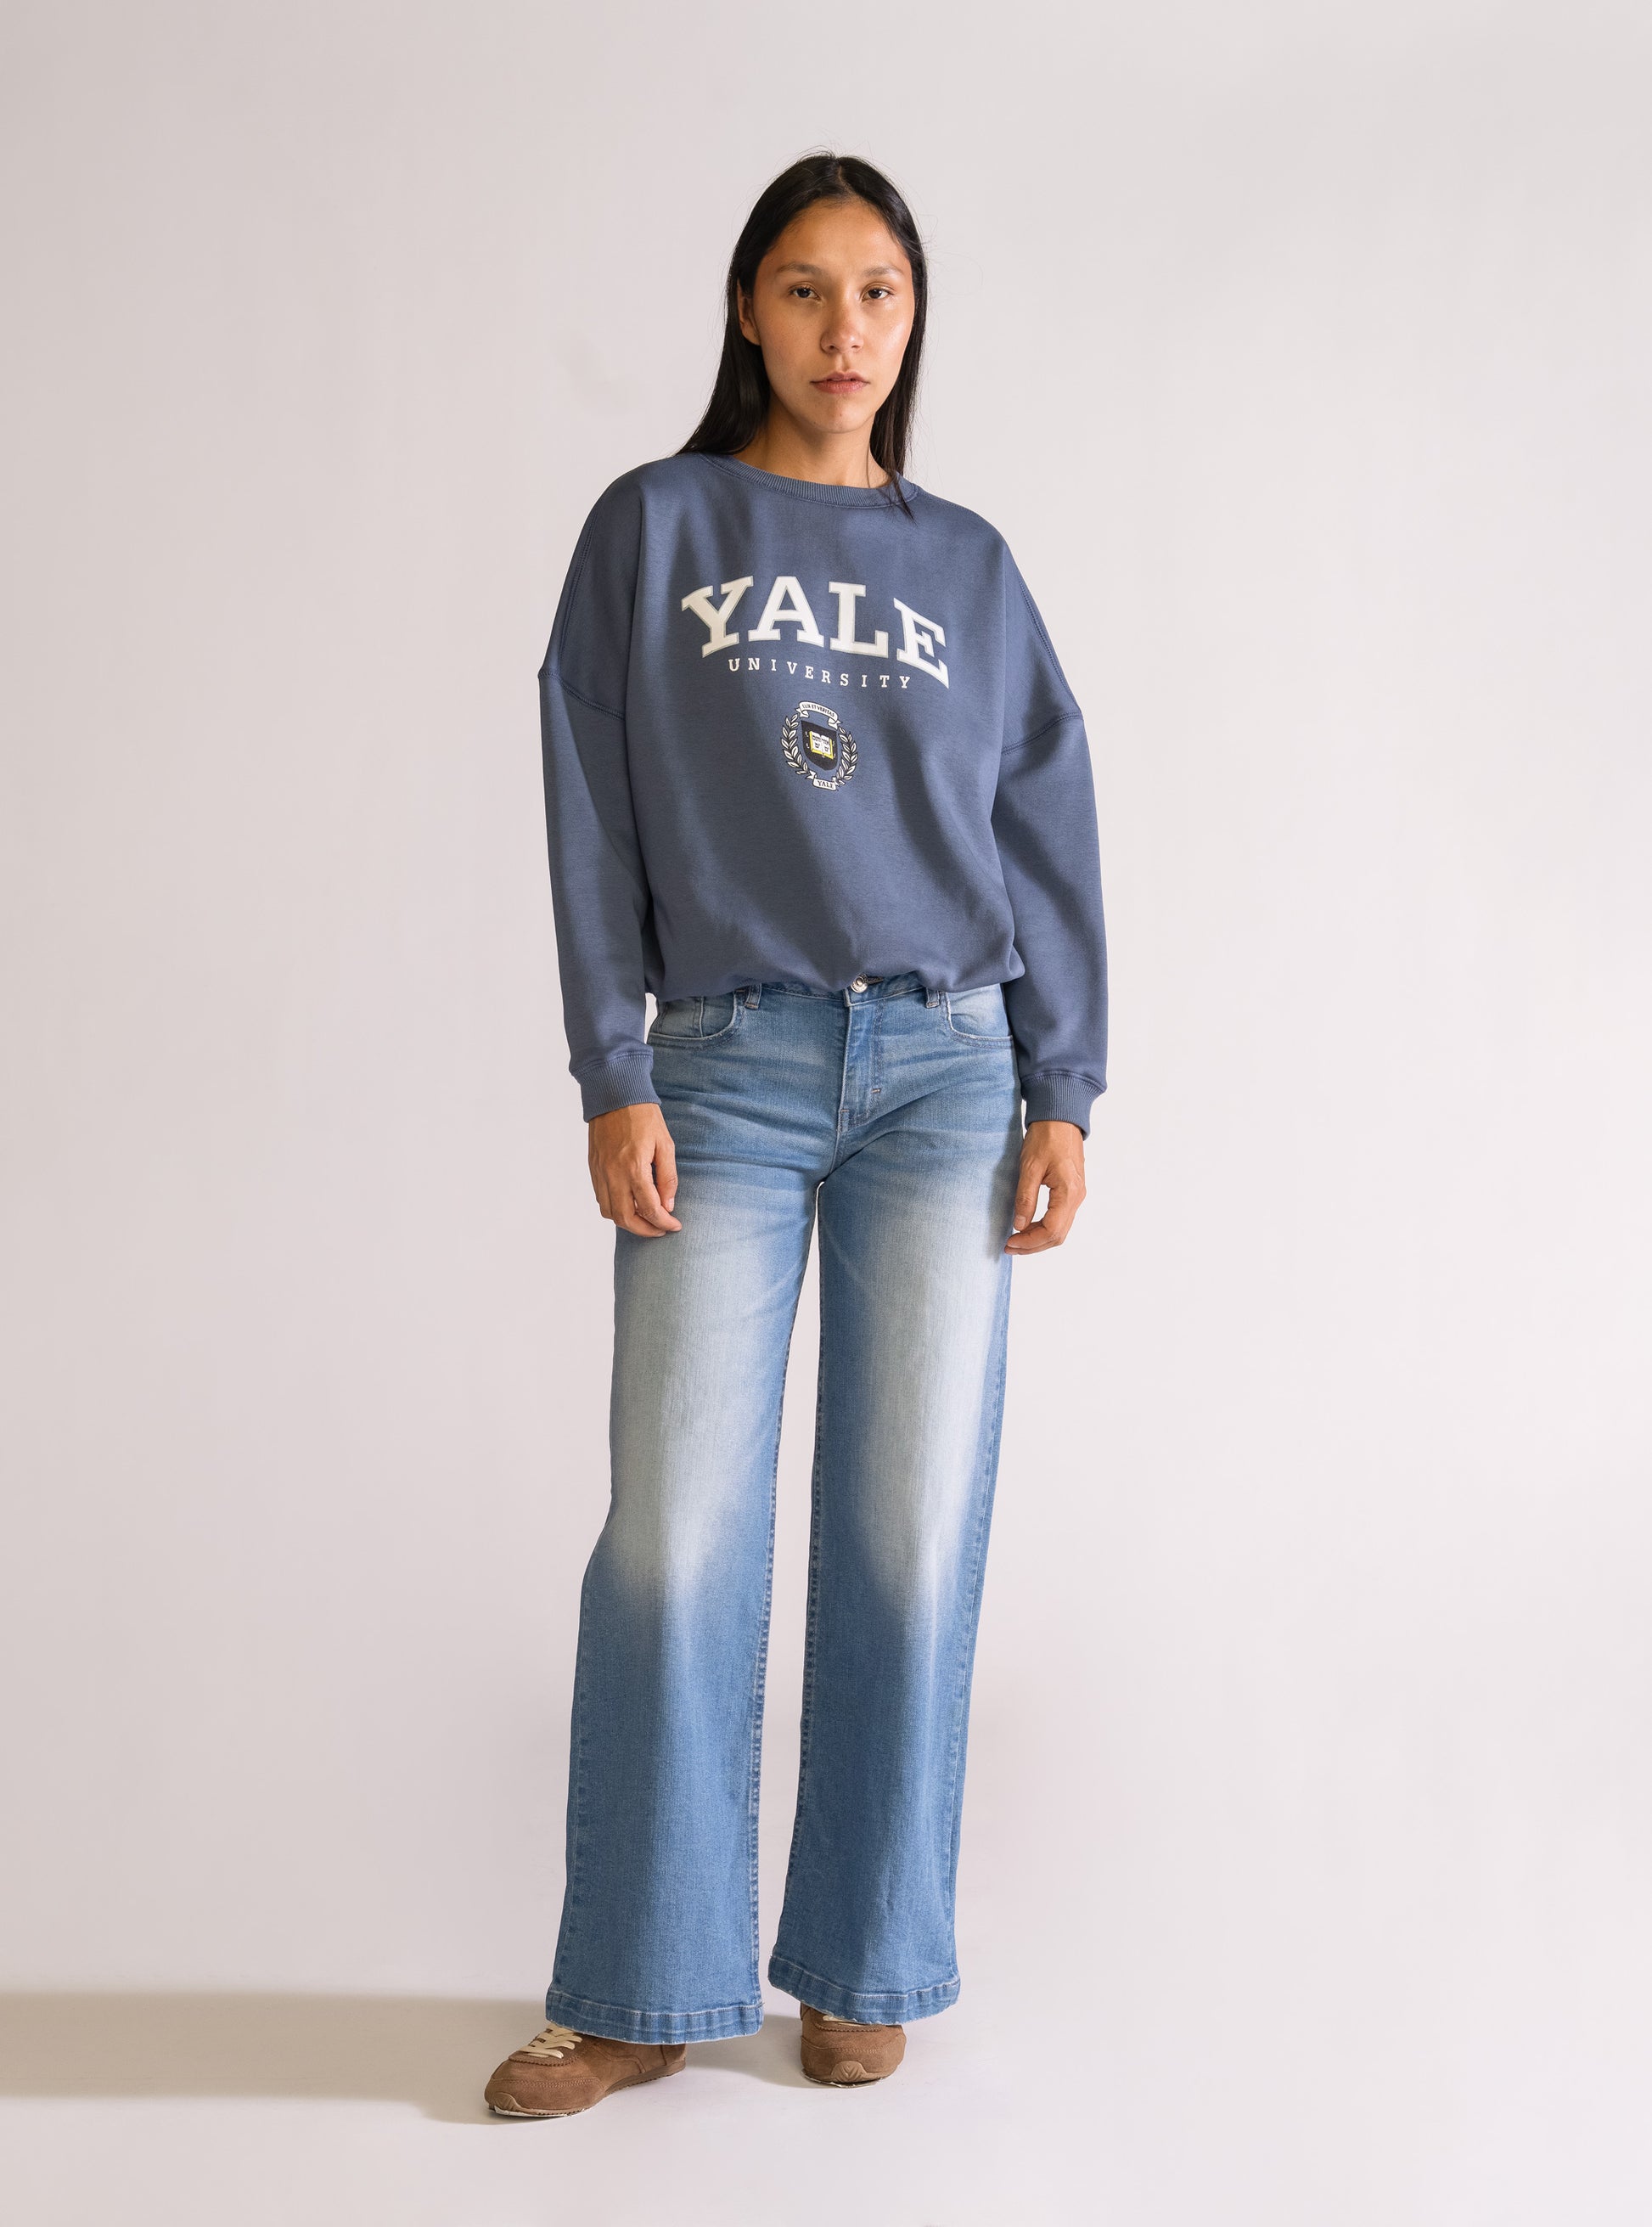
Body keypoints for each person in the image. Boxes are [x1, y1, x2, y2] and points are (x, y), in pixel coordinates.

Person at [484, 152, 1107, 2120]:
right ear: (747, 310)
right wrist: (611, 1066)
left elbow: (1043, 814)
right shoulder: (656, 526)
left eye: (881, 292)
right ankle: (641, 1987)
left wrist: (1064, 1083)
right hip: (724, 1070)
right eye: (808, 289)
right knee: (675, 1532)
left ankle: (861, 1959)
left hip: (945, 1073)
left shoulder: (969, 568)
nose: (848, 330)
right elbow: (589, 791)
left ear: (914, 321)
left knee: (907, 1529)